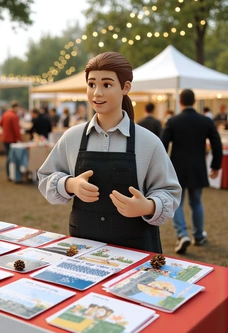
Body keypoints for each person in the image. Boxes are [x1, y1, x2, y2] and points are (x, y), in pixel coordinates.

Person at [37, 51, 181, 253]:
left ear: (125, 87)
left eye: (106, 85)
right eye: (91, 84)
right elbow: (45, 177)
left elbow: (170, 193)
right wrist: (69, 184)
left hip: (136, 253)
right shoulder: (72, 137)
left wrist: (148, 206)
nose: (97, 93)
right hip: (84, 250)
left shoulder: (149, 142)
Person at [161, 89, 222, 254]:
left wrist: (161, 167)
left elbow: (162, 145)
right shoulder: (205, 121)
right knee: (196, 202)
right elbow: (216, 144)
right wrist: (215, 166)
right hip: (197, 167)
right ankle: (198, 235)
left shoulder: (172, 121)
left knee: (177, 203)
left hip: (177, 168)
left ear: (180, 102)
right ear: (194, 101)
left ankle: (182, 235)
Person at [0, 100, 21, 181]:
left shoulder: (5, 114)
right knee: (12, 157)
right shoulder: (14, 116)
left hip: (4, 138)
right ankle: (13, 174)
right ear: (15, 107)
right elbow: (16, 129)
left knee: (8, 156)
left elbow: (0, 124)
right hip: (11, 139)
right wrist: (20, 139)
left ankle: (9, 174)